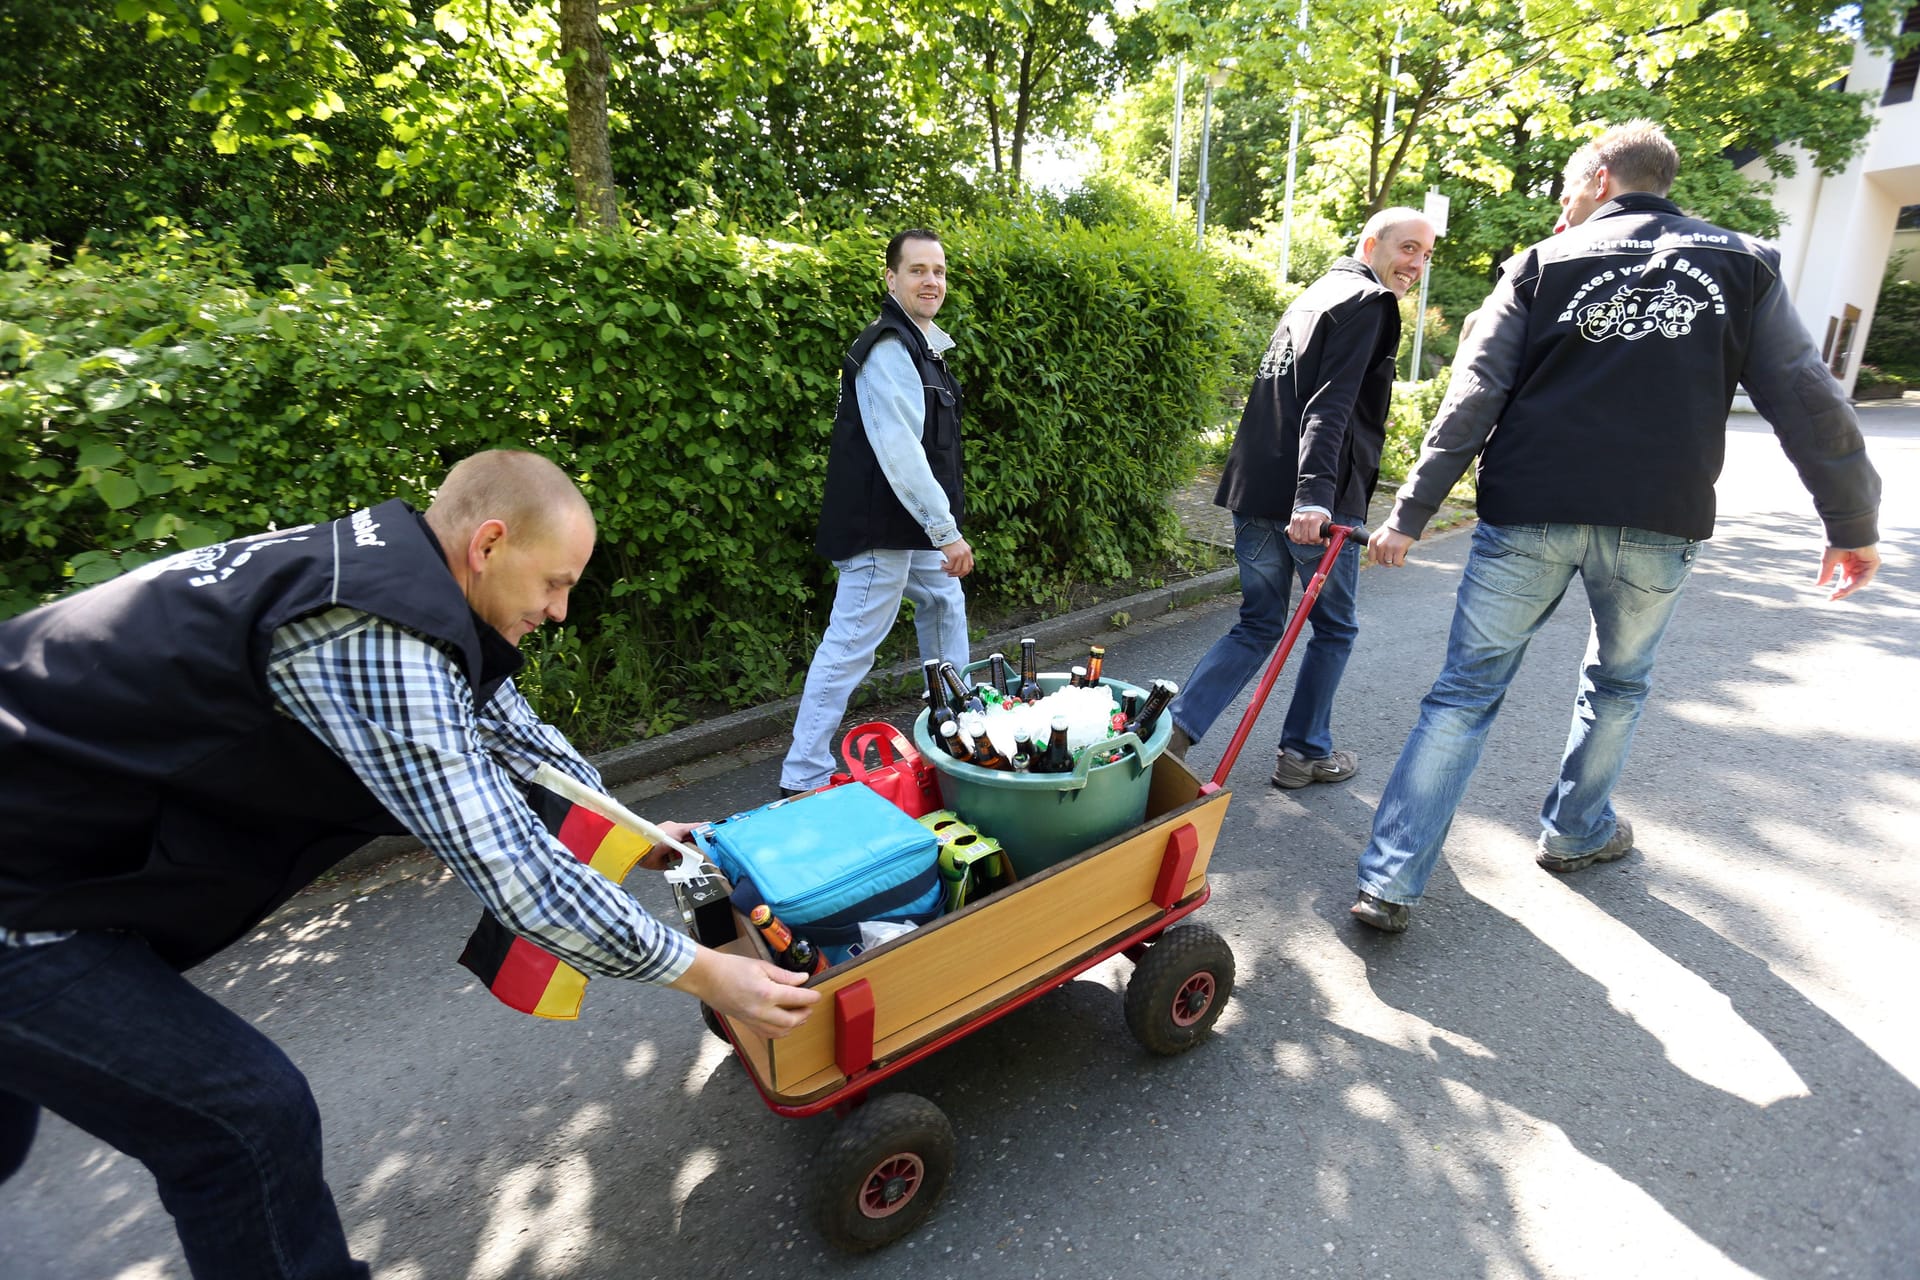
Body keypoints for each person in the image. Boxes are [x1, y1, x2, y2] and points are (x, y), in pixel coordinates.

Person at [0, 450, 821, 1277]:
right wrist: (704, 972)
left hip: (53, 845)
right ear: (490, 544)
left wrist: (637, 831)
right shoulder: (376, 638)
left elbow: (519, 739)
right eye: (555, 584)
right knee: (247, 1118)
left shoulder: (399, 574)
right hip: (22, 897)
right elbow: (514, 871)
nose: (561, 610)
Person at [1349, 120, 1882, 933]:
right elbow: (1807, 397)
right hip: (1657, 518)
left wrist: (1413, 512)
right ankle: (1574, 832)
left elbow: (1474, 396)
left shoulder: (1537, 265)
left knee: (1463, 694)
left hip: (1528, 508)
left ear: (1601, 176)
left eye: (1567, 188)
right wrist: (1850, 520)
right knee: (1620, 683)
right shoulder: (1742, 264)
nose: (1561, 206)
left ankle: (1390, 880)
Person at [1167, 207, 1437, 789]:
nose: (1416, 264)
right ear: (1372, 242)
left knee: (1259, 623)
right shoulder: (1369, 303)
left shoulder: (1315, 295)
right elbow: (1331, 405)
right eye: (1408, 248)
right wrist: (1312, 499)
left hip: (1256, 489)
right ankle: (1305, 752)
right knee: (1335, 628)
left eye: (1426, 254)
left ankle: (1175, 732)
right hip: (1314, 503)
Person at [779, 228, 973, 795]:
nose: (930, 280)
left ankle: (953, 730)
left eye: (938, 270)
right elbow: (900, 453)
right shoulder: (890, 347)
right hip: (877, 529)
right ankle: (804, 776)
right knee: (850, 645)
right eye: (917, 270)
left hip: (901, 529)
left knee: (943, 601)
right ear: (891, 279)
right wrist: (945, 532)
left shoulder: (924, 345)